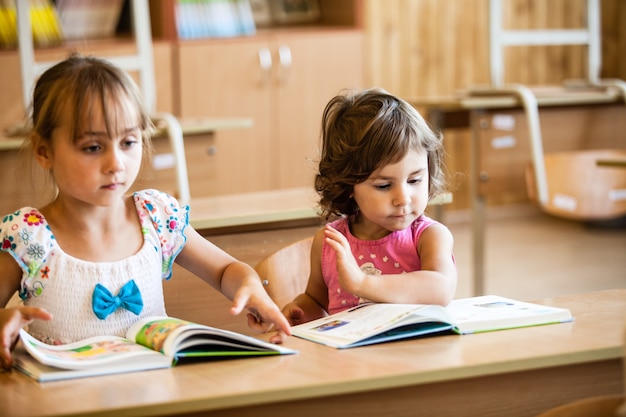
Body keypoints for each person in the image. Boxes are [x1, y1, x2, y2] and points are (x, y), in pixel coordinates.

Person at [0, 54, 290, 370]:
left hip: (154, 394)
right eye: (93, 148)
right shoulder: (27, 236)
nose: (116, 164)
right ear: (44, 151)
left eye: (128, 142)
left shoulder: (156, 215)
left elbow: (224, 270)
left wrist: (247, 283)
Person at [272, 88, 457, 342]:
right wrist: (299, 312)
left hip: (416, 356)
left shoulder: (428, 236)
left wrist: (361, 283)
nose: (403, 198)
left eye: (415, 179)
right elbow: (317, 301)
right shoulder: (330, 243)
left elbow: (441, 288)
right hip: (351, 363)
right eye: (384, 185)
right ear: (348, 186)